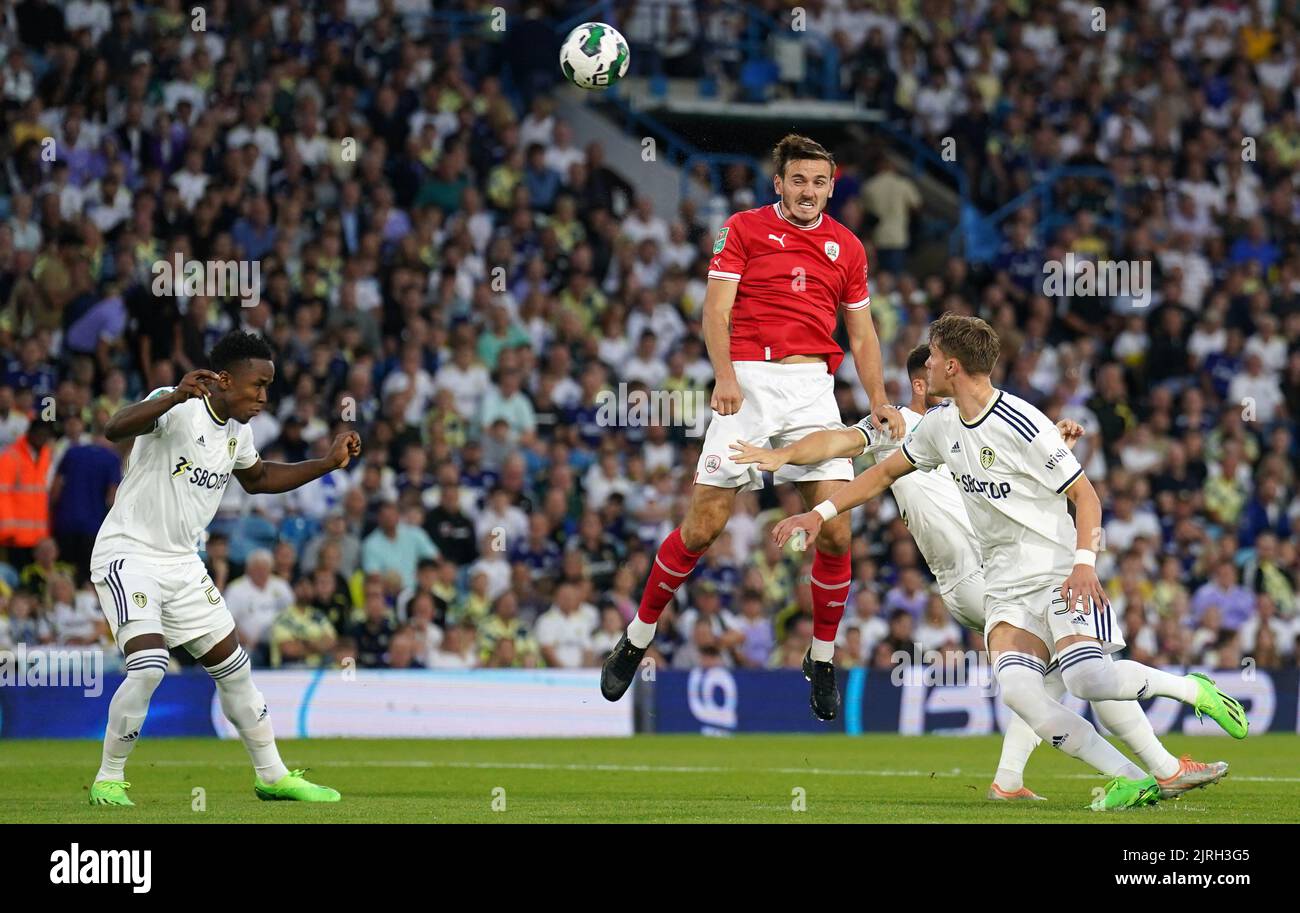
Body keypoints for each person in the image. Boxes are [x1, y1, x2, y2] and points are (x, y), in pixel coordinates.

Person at [771, 314, 1249, 810]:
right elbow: (883, 473)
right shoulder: (938, 425)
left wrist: (1085, 563)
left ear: (952, 365)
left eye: (932, 356)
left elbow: (1087, 497)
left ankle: (1191, 689)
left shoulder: (1022, 422)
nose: (926, 364)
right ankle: (1133, 776)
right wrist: (818, 512)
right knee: (1022, 693)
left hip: (1058, 573)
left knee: (1086, 677)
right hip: (1001, 585)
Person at [601, 134, 905, 721]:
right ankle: (637, 637)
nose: (808, 191)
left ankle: (820, 657)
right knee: (703, 527)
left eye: (819, 181)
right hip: (747, 378)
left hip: (813, 386)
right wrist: (724, 377)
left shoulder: (848, 247)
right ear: (779, 184)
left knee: (838, 531)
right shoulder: (742, 228)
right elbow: (715, 310)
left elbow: (862, 335)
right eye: (798, 180)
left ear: (832, 186)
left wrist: (879, 400)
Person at [86, 331, 361, 807]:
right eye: (256, 385)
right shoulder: (179, 405)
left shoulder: (238, 431)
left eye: (268, 387)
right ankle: (108, 778)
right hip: (128, 554)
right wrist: (172, 394)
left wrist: (325, 463)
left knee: (235, 672)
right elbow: (114, 428)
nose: (263, 397)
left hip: (183, 564)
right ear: (225, 380)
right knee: (150, 667)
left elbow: (258, 479)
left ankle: (272, 777)